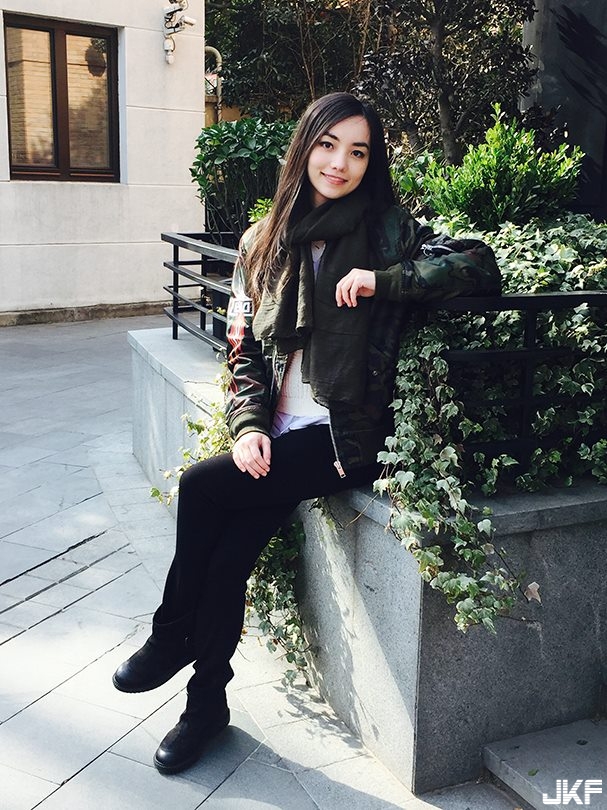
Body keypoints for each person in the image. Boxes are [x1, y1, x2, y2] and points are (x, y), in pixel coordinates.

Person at [112, 92, 500, 774]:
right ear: (304, 147)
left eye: (358, 151)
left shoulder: (388, 233)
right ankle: (206, 706)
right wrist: (247, 426)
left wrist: (385, 281)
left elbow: (478, 265)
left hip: (344, 440)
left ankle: (170, 635)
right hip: (279, 435)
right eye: (327, 144)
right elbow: (242, 349)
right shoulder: (259, 242)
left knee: (201, 489)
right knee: (227, 560)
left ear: (371, 162)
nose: (340, 163)